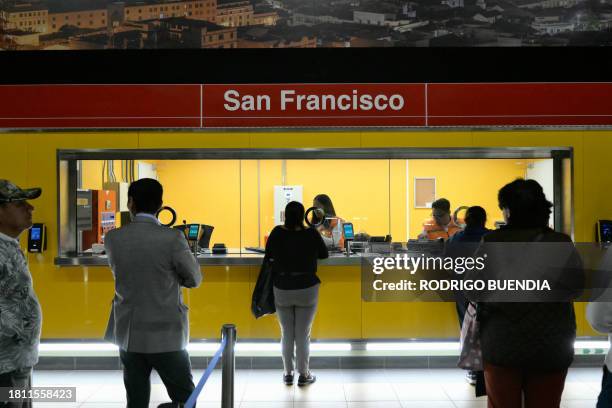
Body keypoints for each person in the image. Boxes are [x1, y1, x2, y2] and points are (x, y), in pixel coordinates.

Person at [465, 179, 582, 408]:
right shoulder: (560, 242)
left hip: (502, 343)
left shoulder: (493, 242)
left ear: (508, 210)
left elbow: (472, 289)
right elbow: (576, 288)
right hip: (552, 345)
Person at [104, 178, 202, 408]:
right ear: (160, 204)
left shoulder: (113, 238)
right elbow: (194, 279)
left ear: (130, 203)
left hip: (128, 331)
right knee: (185, 397)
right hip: (166, 332)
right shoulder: (172, 238)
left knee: (136, 399)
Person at [265, 201, 329, 386]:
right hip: (306, 288)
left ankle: (287, 373)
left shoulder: (277, 232)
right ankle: (304, 374)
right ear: (303, 216)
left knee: (286, 333)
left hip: (282, 287)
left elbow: (268, 254)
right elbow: (324, 254)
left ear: (285, 215)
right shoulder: (310, 232)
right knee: (303, 334)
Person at [0, 180, 42, 408]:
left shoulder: (9, 245)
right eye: (19, 203)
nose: (30, 208)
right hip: (3, 366)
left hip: (17, 361)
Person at [445, 206, 489, 387]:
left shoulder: (456, 238)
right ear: (484, 220)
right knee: (488, 328)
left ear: (465, 220)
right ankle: (489, 369)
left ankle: (473, 370)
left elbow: (447, 259)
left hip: (464, 290)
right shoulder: (492, 238)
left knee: (467, 328)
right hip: (489, 290)